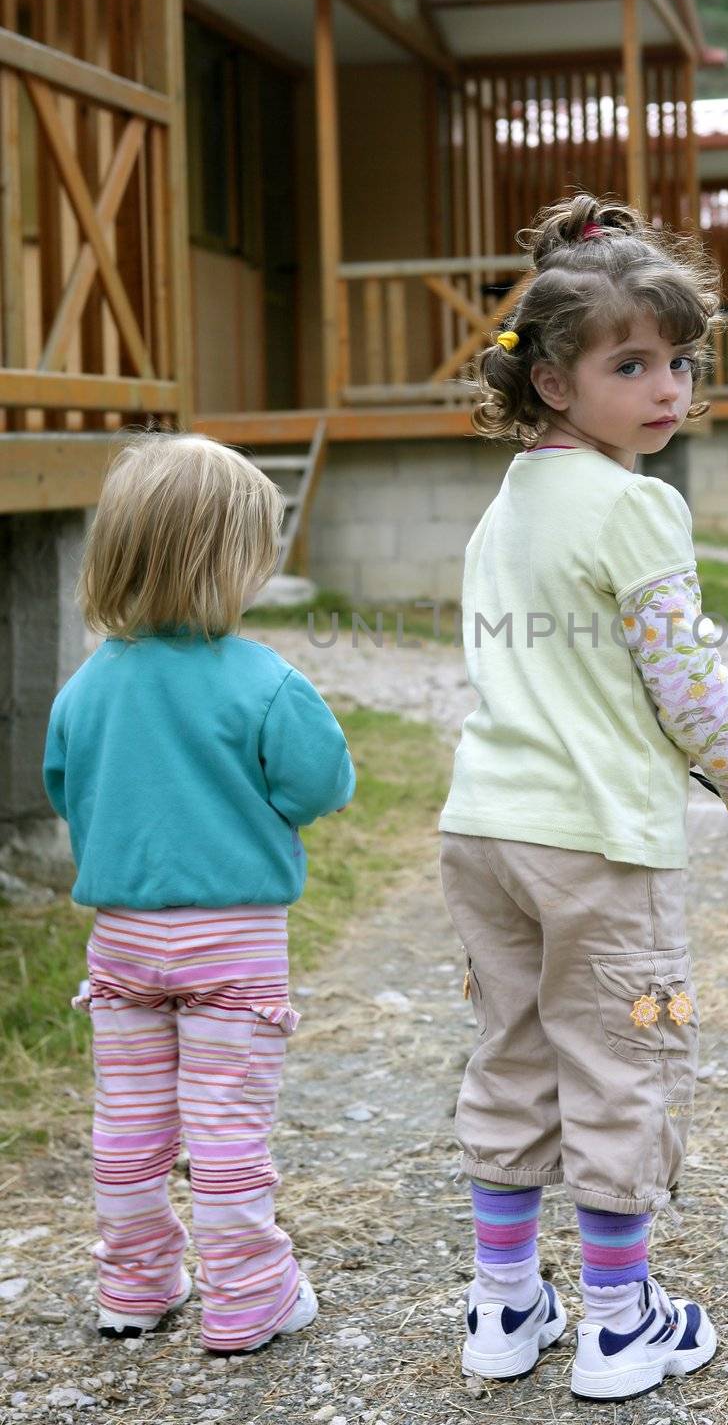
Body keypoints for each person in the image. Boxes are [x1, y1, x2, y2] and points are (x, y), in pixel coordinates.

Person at [437, 194, 728, 1402]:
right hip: (595, 842)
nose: (665, 388)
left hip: (484, 828)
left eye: (679, 363)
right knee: (624, 1062)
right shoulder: (637, 507)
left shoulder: (504, 511)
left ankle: (502, 1301)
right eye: (629, 363)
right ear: (548, 380)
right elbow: (687, 683)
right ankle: (617, 1320)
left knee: (513, 1048)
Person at [42, 430, 356, 1354]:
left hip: (124, 941)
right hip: (234, 943)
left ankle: (135, 1285)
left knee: (129, 1125)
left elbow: (68, 790)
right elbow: (321, 787)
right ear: (233, 563)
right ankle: (247, 1295)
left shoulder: (86, 686)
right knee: (224, 1129)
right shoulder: (264, 681)